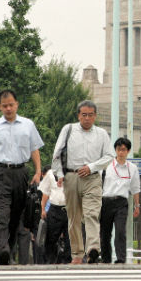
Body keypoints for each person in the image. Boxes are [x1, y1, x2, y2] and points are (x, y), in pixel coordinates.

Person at [0, 89, 44, 265]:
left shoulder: (28, 125)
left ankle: (8, 251)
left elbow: (34, 148)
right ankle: (2, 250)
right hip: (0, 172)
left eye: (11, 105)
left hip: (21, 172)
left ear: (17, 105)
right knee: (2, 213)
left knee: (15, 215)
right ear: (0, 107)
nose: (8, 109)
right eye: (4, 106)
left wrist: (38, 171)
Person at [52, 100, 114, 264]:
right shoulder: (69, 129)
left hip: (92, 178)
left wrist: (92, 167)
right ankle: (77, 254)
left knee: (92, 213)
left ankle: (93, 249)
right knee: (74, 217)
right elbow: (57, 153)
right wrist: (59, 174)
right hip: (71, 177)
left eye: (90, 115)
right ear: (78, 115)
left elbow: (109, 156)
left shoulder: (101, 134)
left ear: (95, 116)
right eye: (84, 115)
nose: (87, 118)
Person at [100, 137, 141, 264]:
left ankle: (121, 258)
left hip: (121, 203)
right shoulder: (107, 166)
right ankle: (106, 258)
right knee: (105, 233)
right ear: (115, 150)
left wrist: (137, 205)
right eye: (118, 149)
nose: (121, 152)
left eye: (123, 150)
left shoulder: (132, 168)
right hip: (106, 201)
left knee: (120, 231)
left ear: (128, 151)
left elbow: (135, 188)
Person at [39, 166, 71, 264]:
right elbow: (45, 193)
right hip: (55, 209)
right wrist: (43, 209)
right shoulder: (50, 173)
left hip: (70, 209)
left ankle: (68, 261)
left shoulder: (73, 172)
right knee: (51, 238)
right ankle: (50, 261)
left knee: (69, 238)